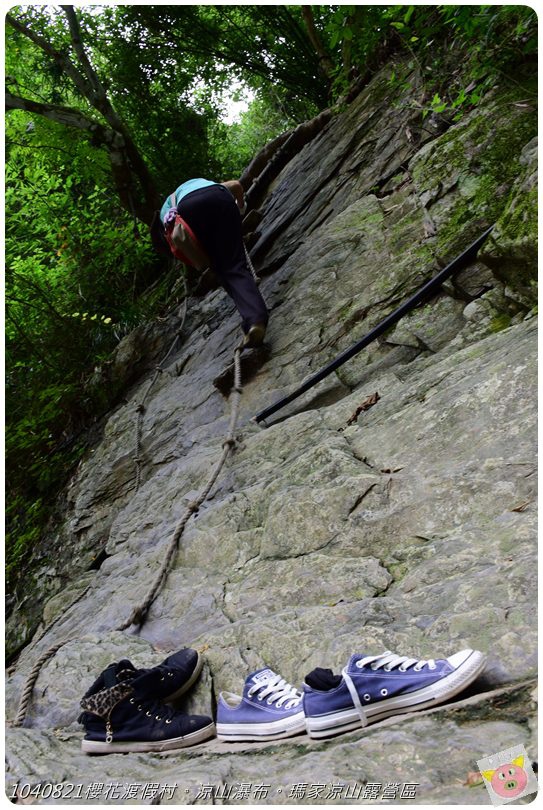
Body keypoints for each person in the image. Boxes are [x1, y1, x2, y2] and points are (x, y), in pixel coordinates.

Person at [150, 178, 268, 348]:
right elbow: (236, 186)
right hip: (220, 197)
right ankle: (254, 317)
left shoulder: (166, 212)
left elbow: (182, 243)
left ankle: (255, 320)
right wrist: (240, 207)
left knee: (226, 268)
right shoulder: (201, 184)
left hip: (188, 211)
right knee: (232, 264)